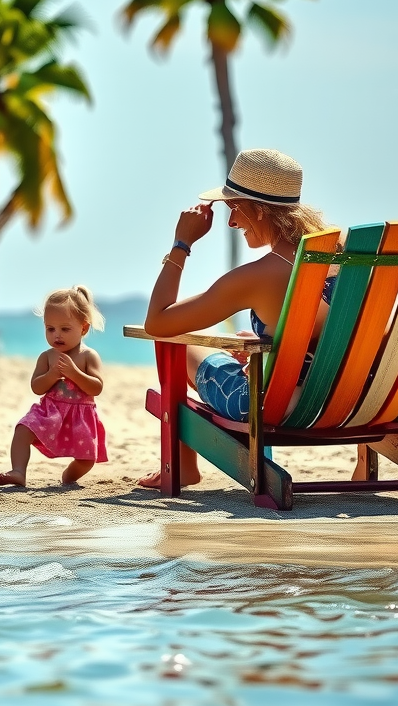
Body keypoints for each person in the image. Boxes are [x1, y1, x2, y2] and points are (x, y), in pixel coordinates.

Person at [137, 148, 365, 489]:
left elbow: (158, 322)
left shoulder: (261, 275)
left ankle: (183, 465)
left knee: (179, 344)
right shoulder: (351, 255)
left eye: (234, 209)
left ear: (258, 208)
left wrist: (181, 243)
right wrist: (271, 346)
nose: (231, 223)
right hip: (355, 398)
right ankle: (363, 465)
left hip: (280, 405)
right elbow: (345, 333)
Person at [0, 286, 108, 487]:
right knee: (22, 430)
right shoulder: (47, 357)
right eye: (50, 329)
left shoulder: (88, 356)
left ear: (83, 328)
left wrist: (75, 373)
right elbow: (37, 387)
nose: (57, 335)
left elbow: (96, 387)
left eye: (65, 329)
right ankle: (18, 471)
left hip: (80, 417)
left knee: (86, 460)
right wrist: (51, 375)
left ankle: (69, 477)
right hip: (50, 410)